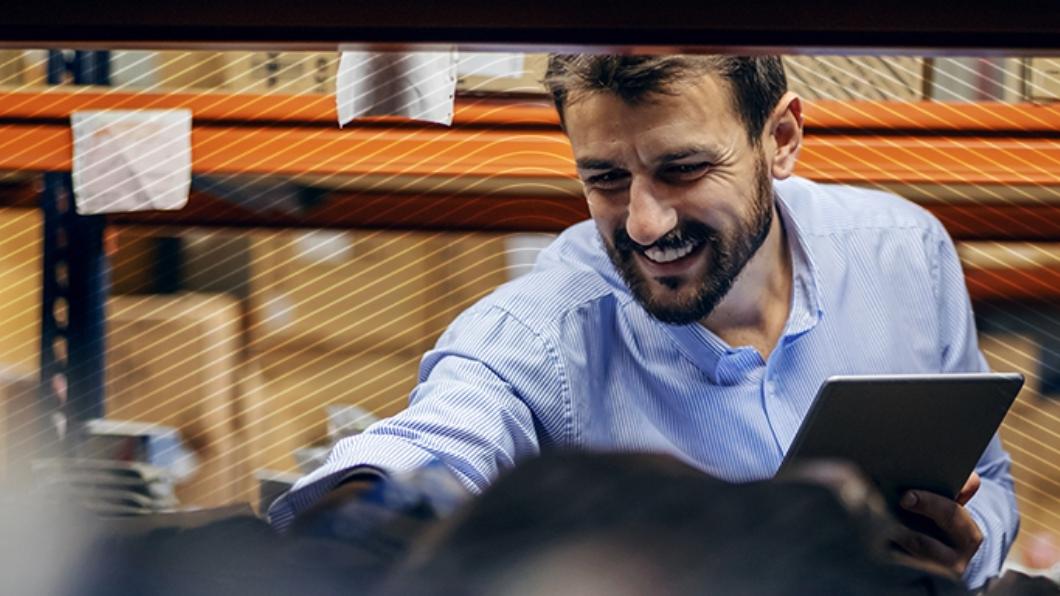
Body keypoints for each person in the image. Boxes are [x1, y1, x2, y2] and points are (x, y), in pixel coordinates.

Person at [269, 54, 1019, 589]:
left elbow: (987, 482)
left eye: (683, 169)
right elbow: (415, 457)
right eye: (605, 179)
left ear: (781, 139)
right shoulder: (543, 331)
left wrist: (963, 555)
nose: (644, 223)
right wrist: (366, 517)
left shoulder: (905, 253)